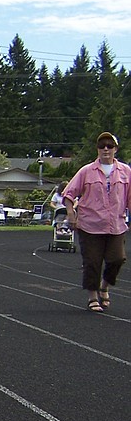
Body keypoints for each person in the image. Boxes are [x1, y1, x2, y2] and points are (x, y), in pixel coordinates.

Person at [62, 131, 131, 312]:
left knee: (117, 259)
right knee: (92, 262)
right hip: (90, 225)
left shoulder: (126, 172)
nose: (106, 149)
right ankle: (93, 297)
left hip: (116, 225)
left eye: (109, 146)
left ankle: (105, 285)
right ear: (97, 149)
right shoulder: (86, 171)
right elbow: (69, 194)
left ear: (116, 149)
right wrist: (71, 214)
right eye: (102, 146)